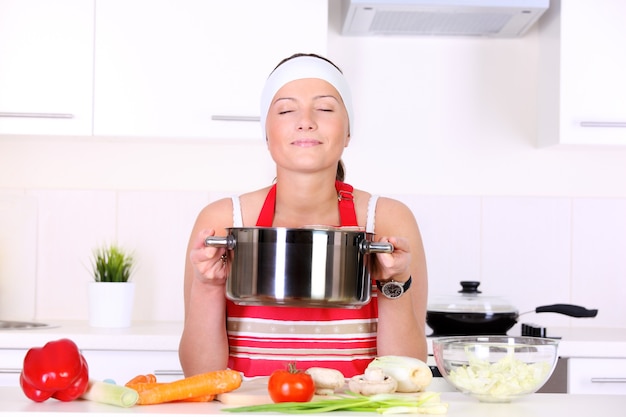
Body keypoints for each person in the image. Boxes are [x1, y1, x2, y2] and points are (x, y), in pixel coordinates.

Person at [179, 53, 428, 378]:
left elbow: (408, 374)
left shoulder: (387, 219)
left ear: (348, 131)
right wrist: (208, 286)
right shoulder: (226, 219)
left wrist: (393, 281)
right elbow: (200, 376)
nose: (306, 120)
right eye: (285, 109)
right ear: (266, 133)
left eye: (324, 108)